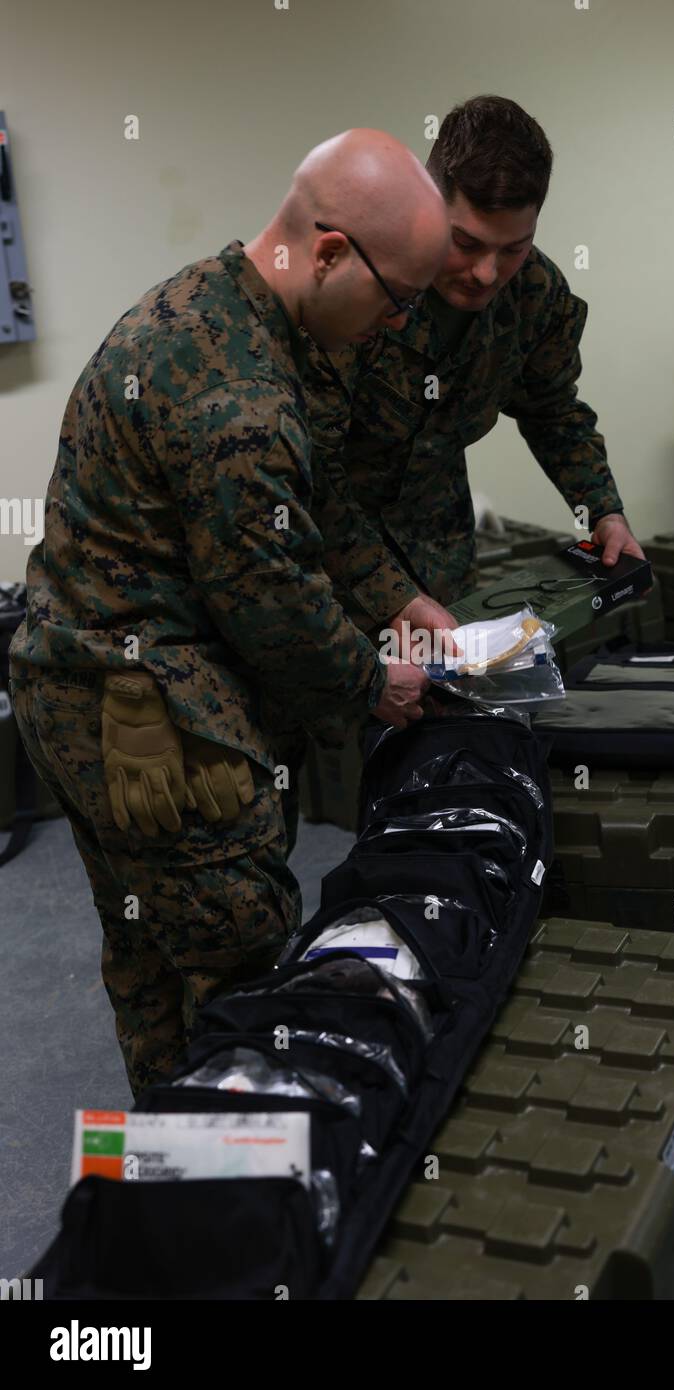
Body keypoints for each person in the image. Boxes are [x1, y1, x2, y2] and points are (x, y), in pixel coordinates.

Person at [9, 129, 453, 1099]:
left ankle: (176, 1173)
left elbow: (322, 497)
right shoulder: (238, 397)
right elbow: (277, 602)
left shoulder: (253, 310)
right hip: (140, 705)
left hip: (85, 666)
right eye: (399, 299)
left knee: (148, 933)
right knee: (237, 942)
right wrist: (377, 683)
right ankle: (232, 1191)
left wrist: (396, 594)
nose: (395, 325)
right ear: (332, 253)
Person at [304, 94, 646, 649]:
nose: (486, 273)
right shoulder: (361, 285)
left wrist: (603, 509)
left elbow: (553, 410)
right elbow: (313, 471)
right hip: (325, 561)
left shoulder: (535, 294)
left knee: (448, 720)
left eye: (513, 248)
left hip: (441, 551)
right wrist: (391, 597)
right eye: (465, 243)